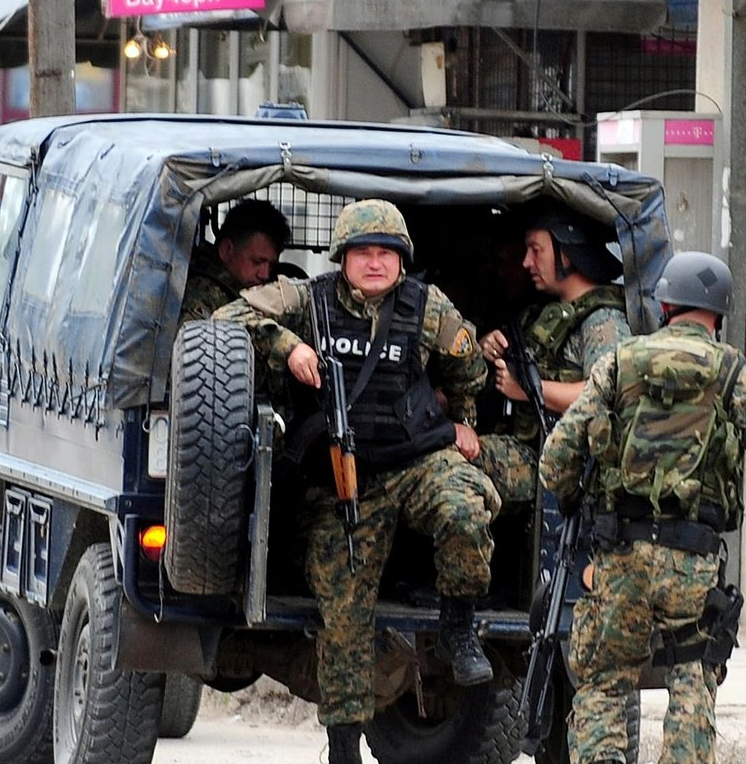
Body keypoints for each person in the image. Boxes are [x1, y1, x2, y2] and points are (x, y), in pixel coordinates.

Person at [214, 198, 499, 764]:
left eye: (386, 253)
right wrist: (289, 345)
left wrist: (462, 419)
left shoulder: (426, 307)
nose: (375, 263)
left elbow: (469, 365)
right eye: (363, 252)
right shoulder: (309, 299)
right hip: (342, 481)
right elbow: (228, 318)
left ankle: (458, 626)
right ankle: (344, 746)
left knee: (467, 507)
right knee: (344, 611)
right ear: (342, 257)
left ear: (402, 260)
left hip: (416, 462)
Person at [538, 251, 746, 764]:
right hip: (693, 560)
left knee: (603, 678)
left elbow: (556, 459)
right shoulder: (731, 372)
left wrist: (578, 498)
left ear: (665, 304)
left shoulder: (618, 363)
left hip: (619, 554)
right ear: (719, 315)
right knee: (691, 671)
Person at [472, 201, 631, 509]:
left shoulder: (603, 319)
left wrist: (529, 390)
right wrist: (486, 346)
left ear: (566, 253)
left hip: (564, 465)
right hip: (531, 445)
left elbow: (608, 393)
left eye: (536, 250)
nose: (526, 262)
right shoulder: (544, 313)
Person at [180, 198, 290, 323]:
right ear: (226, 250)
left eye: (271, 266)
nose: (265, 275)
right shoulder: (203, 294)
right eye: (257, 262)